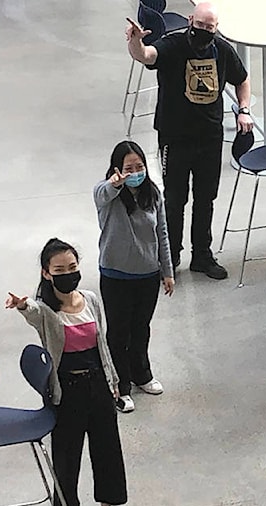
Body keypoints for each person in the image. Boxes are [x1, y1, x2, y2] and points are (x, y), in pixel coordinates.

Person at [5, 239, 131, 506]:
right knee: (66, 456)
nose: (68, 273)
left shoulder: (90, 299)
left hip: (99, 387)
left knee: (107, 450)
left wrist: (113, 381)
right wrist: (22, 306)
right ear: (47, 273)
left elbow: (102, 345)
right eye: (60, 269)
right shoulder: (47, 310)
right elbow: (33, 314)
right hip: (67, 393)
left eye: (72, 267)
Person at [125, 2, 253, 280]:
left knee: (206, 198)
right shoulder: (173, 44)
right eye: (200, 25)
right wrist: (135, 42)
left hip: (210, 136)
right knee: (174, 198)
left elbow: (242, 79)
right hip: (175, 136)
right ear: (191, 19)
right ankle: (170, 256)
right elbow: (146, 55)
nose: (204, 31)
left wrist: (243, 110)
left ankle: (202, 255)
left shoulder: (222, 50)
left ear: (216, 28)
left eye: (210, 28)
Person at [94, 140, 175, 414]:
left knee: (141, 329)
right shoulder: (107, 195)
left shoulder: (153, 194)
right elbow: (103, 194)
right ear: (117, 169)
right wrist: (116, 184)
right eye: (129, 168)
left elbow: (162, 233)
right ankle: (120, 386)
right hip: (116, 275)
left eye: (139, 166)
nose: (135, 172)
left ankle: (142, 374)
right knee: (118, 333)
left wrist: (167, 271)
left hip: (147, 274)